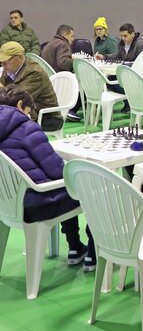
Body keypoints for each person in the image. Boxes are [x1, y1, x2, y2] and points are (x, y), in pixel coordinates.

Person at [0, 85, 95, 271]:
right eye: (29, 111)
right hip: (37, 203)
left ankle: (76, 248)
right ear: (20, 105)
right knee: (90, 188)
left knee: (65, 186)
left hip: (7, 203)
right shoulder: (26, 128)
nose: (30, 116)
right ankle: (92, 252)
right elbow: (56, 171)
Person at [0, 42, 64, 132]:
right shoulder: (10, 68)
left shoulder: (34, 72)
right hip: (24, 112)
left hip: (45, 116)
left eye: (7, 60)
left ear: (20, 57)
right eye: (2, 61)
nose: (3, 64)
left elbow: (17, 99)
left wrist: (2, 89)